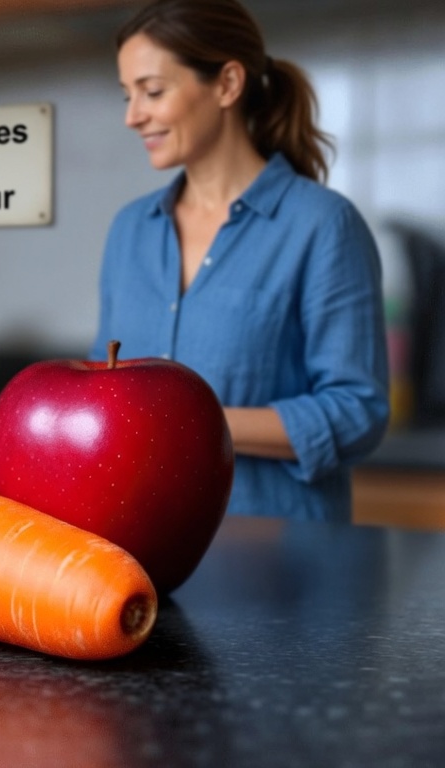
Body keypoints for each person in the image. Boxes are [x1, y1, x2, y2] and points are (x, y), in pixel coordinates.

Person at [91, 0, 389, 521]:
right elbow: (103, 387)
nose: (132, 115)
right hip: (142, 550)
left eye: (152, 91)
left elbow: (357, 410)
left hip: (283, 560)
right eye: (127, 95)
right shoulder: (129, 230)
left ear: (227, 84)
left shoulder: (322, 225)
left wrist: (191, 424)